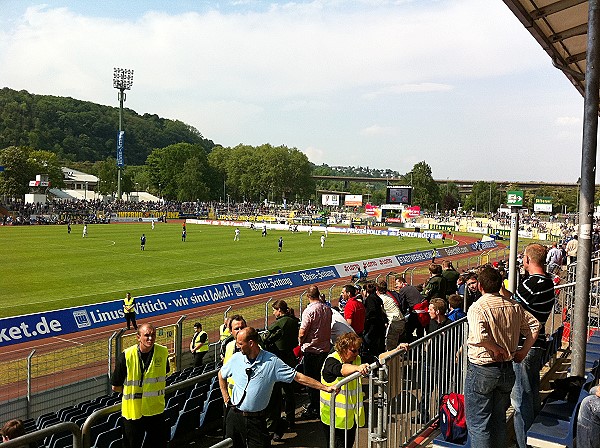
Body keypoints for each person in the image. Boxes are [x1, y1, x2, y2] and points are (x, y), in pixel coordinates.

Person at [219, 327, 336, 448]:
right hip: (234, 416)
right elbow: (221, 374)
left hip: (256, 421)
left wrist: (325, 388)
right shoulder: (236, 358)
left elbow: (299, 377)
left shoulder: (272, 362)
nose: (237, 346)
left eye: (240, 343)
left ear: (251, 343)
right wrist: (226, 397)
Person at [465, 266, 540, 448]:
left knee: (478, 425)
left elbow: (480, 337)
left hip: (482, 370)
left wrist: (496, 348)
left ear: (481, 286)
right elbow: (535, 326)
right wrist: (522, 352)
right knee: (498, 420)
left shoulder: (478, 307)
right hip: (506, 371)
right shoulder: (513, 306)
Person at [511, 243, 556, 448]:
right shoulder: (547, 281)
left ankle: (525, 443)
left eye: (523, 258)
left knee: (520, 401)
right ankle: (533, 437)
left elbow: (513, 310)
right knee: (531, 393)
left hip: (525, 347)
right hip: (537, 344)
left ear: (528, 260)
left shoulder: (530, 284)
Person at [111, 323, 170, 448]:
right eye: (146, 335)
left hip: (155, 411)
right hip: (133, 412)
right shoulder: (126, 356)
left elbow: (164, 372)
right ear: (138, 337)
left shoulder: (163, 352)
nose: (150, 338)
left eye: (153, 335)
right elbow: (115, 386)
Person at [320, 332, 367, 448]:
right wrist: (357, 368)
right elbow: (340, 369)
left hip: (350, 420)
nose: (357, 354)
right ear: (343, 349)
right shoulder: (331, 361)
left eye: (358, 350)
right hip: (334, 420)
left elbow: (378, 359)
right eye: (353, 350)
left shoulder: (357, 359)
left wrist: (397, 349)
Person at [263, 300, 300, 436]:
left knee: (277, 394)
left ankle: (278, 424)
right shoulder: (293, 321)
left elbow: (267, 339)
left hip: (279, 360)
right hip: (290, 357)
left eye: (274, 310)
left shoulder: (280, 324)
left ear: (279, 310)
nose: (273, 313)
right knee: (289, 391)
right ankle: (291, 419)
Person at [298, 285, 332, 419]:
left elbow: (302, 332)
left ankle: (315, 408)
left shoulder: (309, 311)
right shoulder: (327, 309)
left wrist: (300, 343)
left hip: (311, 351)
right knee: (322, 379)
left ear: (308, 296)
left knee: (311, 382)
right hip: (324, 349)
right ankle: (321, 405)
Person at [376, 280, 406, 349]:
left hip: (395, 322)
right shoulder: (389, 297)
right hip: (401, 320)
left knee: (390, 347)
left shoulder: (381, 299)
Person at [362, 282, 386, 362]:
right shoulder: (376, 298)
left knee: (368, 346)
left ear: (366, 290)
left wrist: (367, 322)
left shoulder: (370, 299)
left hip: (372, 327)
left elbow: (372, 312)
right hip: (378, 326)